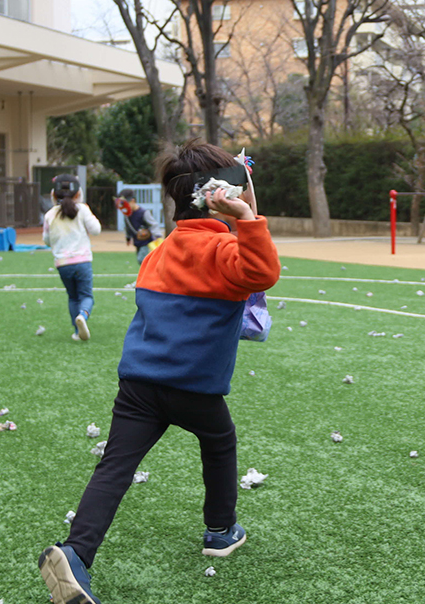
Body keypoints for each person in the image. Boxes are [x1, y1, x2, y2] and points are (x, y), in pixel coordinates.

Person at [38, 138, 280, 604]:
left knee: (115, 467)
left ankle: (77, 552)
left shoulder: (158, 253)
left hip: (138, 384)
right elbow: (262, 273)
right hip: (194, 387)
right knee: (219, 441)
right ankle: (219, 530)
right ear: (223, 194)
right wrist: (247, 220)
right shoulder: (226, 251)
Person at [43, 174, 102, 341]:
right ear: (78, 194)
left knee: (73, 296)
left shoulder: (50, 215)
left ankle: (77, 331)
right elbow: (96, 229)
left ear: (54, 194)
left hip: (62, 264)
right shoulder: (82, 209)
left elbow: (46, 240)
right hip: (82, 261)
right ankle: (83, 315)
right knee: (86, 296)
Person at [116, 188, 164, 265]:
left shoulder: (143, 212)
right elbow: (128, 227)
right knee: (141, 261)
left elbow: (153, 224)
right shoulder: (127, 215)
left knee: (142, 259)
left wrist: (158, 236)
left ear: (132, 201)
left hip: (147, 242)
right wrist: (128, 238)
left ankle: (150, 274)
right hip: (137, 241)